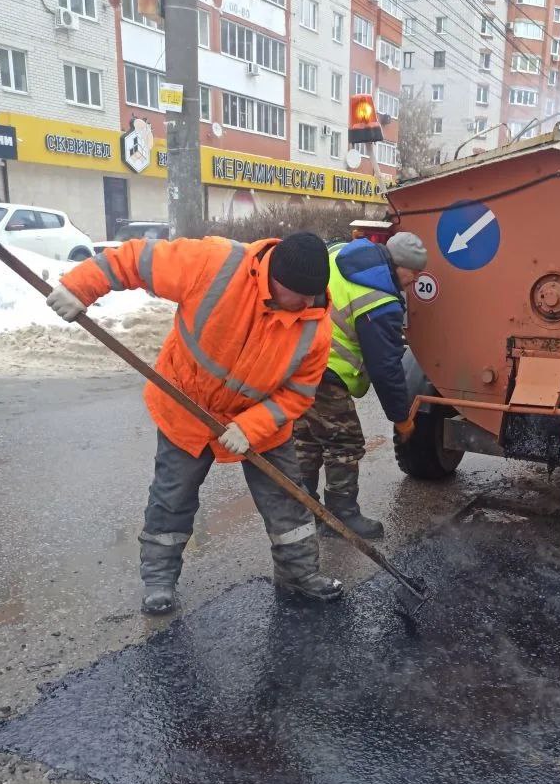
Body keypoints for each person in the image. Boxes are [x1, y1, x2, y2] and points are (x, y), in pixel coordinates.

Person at [46, 232, 344, 614]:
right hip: (186, 406)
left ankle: (299, 575)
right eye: (297, 295)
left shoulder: (315, 325)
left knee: (287, 500)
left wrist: (250, 427)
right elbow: (137, 259)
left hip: (258, 423)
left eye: (313, 296)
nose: (306, 304)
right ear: (274, 278)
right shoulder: (216, 264)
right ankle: (158, 580)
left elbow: (297, 395)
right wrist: (80, 287)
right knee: (172, 497)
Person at [294, 231, 426, 539]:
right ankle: (341, 516)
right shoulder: (380, 300)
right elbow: (385, 369)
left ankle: (300, 510)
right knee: (344, 443)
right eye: (414, 273)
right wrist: (401, 418)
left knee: (306, 439)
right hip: (327, 371)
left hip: (295, 357)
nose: (415, 280)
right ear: (399, 265)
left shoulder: (342, 252)